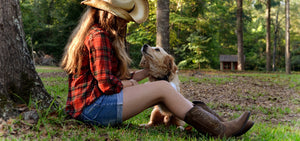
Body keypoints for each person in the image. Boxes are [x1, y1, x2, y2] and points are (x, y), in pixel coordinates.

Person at [61, 0, 253, 138]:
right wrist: (129, 83)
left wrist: (143, 74)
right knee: (162, 88)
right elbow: (107, 85)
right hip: (93, 109)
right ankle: (220, 130)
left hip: (91, 107)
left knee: (165, 89)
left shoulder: (96, 34)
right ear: (110, 15)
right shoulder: (98, 37)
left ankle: (220, 124)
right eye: (123, 18)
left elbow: (112, 77)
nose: (126, 23)